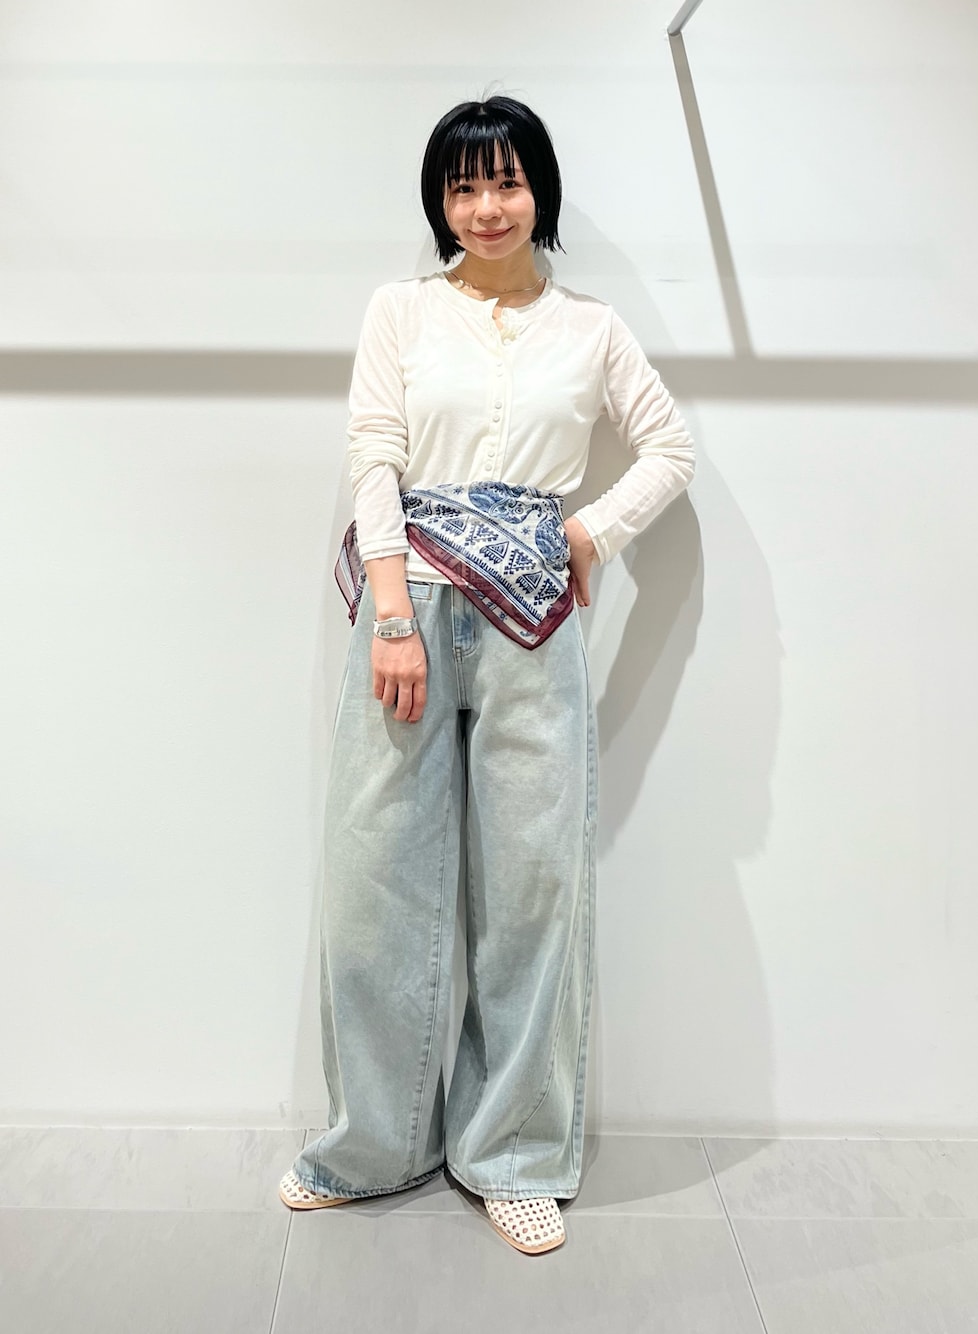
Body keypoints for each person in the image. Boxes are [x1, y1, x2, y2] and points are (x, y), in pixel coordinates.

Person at [278, 94, 695, 1255]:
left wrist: (589, 532)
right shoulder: (402, 310)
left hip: (532, 626)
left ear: (538, 191)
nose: (485, 207)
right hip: (407, 607)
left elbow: (669, 446)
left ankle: (511, 1154)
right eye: (462, 187)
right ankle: (373, 1143)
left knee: (529, 891)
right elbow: (375, 452)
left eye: (505, 181)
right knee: (375, 885)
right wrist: (392, 612)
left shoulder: (592, 329)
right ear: (440, 203)